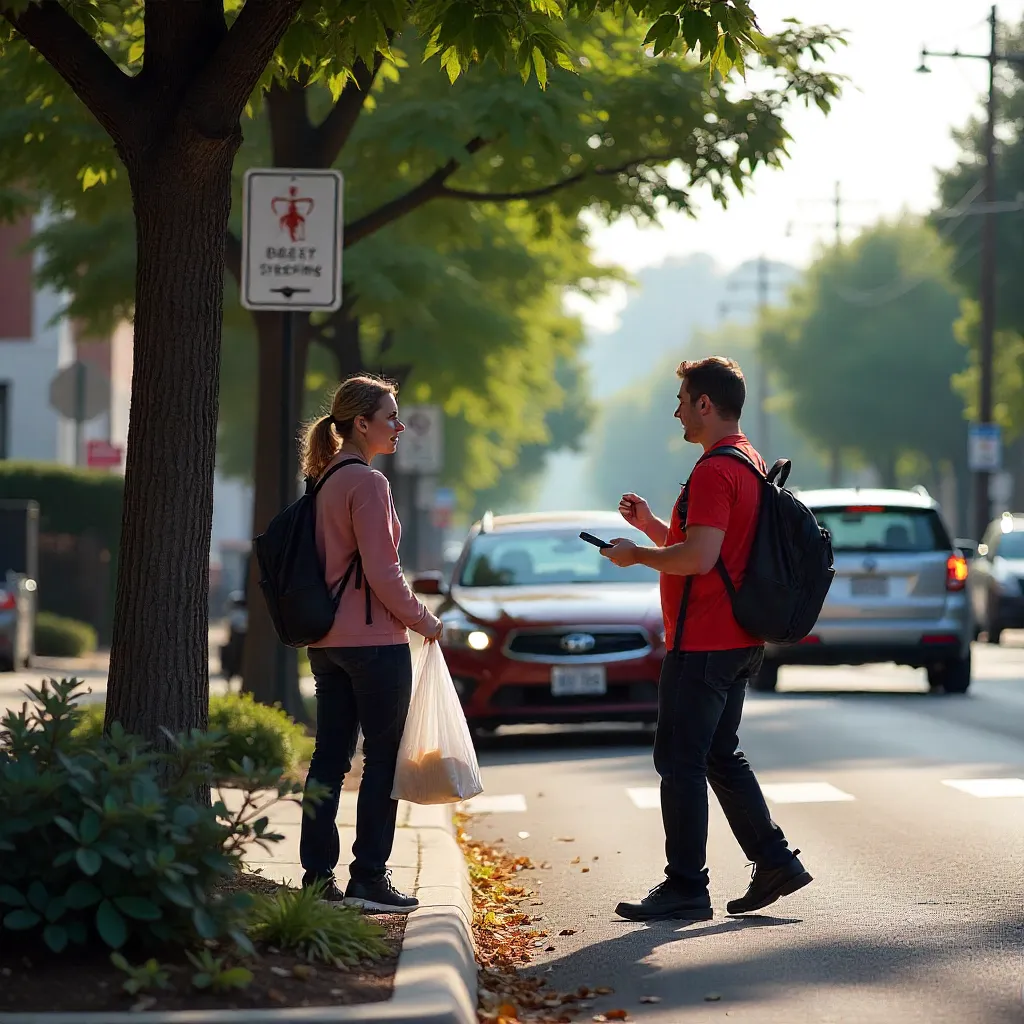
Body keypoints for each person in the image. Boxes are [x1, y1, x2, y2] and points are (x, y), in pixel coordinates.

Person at [601, 356, 812, 921]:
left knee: (680, 760)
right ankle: (774, 860)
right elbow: (712, 551)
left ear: (705, 404)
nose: (676, 412)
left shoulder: (714, 471)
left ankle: (686, 886)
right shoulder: (746, 460)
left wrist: (635, 555)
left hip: (706, 642)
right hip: (739, 639)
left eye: (682, 401)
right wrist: (649, 528)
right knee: (719, 753)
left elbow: (698, 557)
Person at [298, 374, 443, 913]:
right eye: (390, 417)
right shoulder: (368, 484)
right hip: (374, 641)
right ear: (362, 423)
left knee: (329, 758)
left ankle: (316, 876)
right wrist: (424, 620)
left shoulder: (325, 478)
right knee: (383, 759)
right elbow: (385, 573)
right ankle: (369, 877)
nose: (399, 425)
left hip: (327, 641)